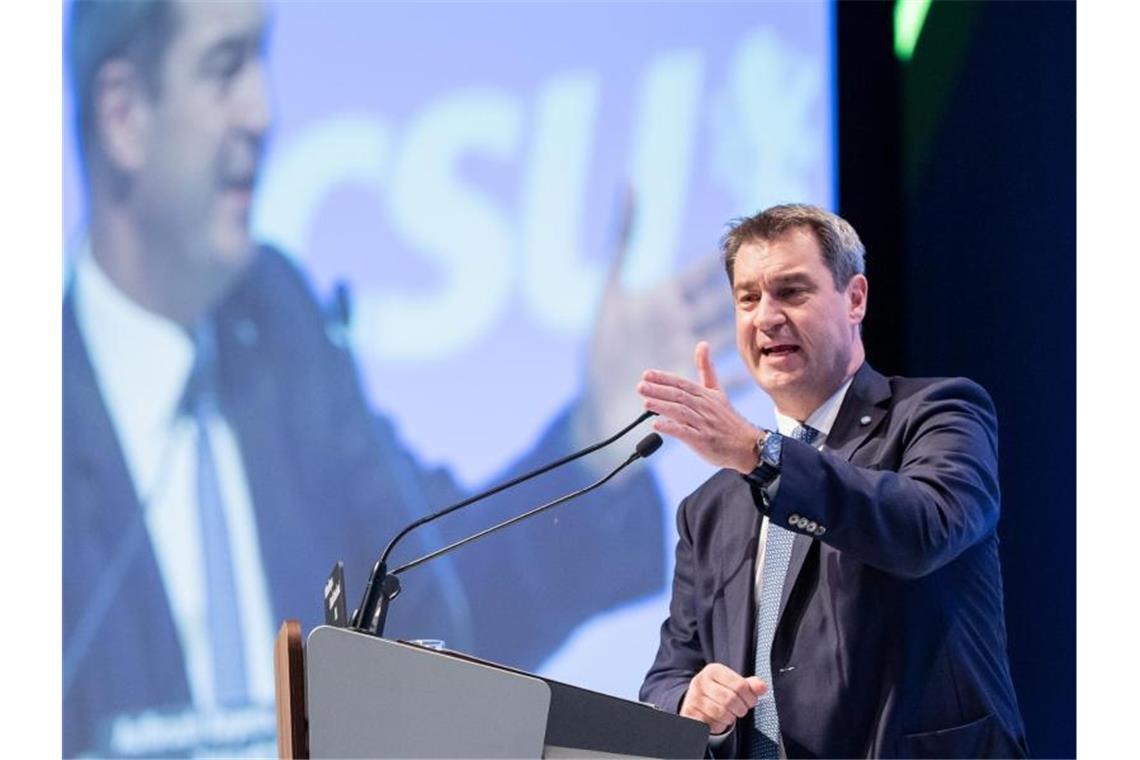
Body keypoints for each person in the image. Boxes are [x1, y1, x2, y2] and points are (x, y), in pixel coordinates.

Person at [62, 1, 734, 756]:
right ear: (123, 114)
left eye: (261, 64)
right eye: (225, 70)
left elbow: (438, 596)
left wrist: (596, 441)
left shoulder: (278, 328)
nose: (263, 110)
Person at [637, 204, 1029, 758]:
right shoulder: (710, 508)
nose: (766, 317)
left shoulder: (939, 414)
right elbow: (669, 675)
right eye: (748, 298)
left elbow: (922, 530)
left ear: (855, 299)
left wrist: (760, 453)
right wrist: (692, 702)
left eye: (791, 292)